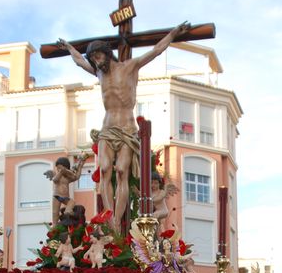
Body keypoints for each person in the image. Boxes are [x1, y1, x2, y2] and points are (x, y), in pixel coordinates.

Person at [58, 22, 190, 232]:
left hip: (128, 129)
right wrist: (69, 48)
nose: (95, 61)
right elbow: (79, 61)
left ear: (107, 53)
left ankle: (118, 220)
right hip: (107, 128)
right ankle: (110, 219)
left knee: (121, 172)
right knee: (103, 170)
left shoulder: (129, 66)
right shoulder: (99, 73)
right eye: (93, 58)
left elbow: (156, 51)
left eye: (98, 56)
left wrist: (173, 33)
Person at [44, 153, 88, 225]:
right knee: (55, 212)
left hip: (64, 197)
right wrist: (61, 172)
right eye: (57, 168)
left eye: (60, 167)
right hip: (57, 196)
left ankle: (67, 212)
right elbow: (55, 180)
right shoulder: (57, 175)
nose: (59, 169)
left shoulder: (67, 178)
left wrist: (80, 167)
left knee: (72, 202)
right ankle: (54, 225)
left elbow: (76, 177)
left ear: (65, 167)